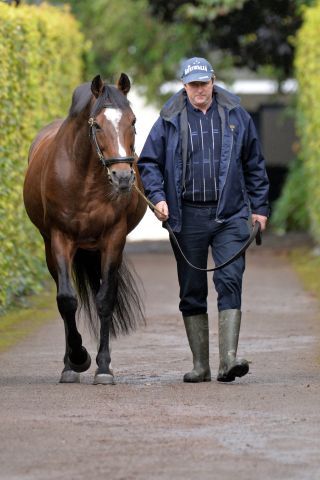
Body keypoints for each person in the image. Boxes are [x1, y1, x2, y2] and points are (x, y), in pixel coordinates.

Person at [138, 57, 269, 383]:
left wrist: (260, 208)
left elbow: (254, 163)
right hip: (187, 215)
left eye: (204, 83)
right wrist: (158, 197)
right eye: (193, 84)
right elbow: (148, 162)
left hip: (231, 214)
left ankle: (228, 360)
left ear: (213, 80)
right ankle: (201, 365)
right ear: (184, 85)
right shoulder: (168, 119)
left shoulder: (237, 115)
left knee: (229, 279)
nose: (200, 89)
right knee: (191, 289)